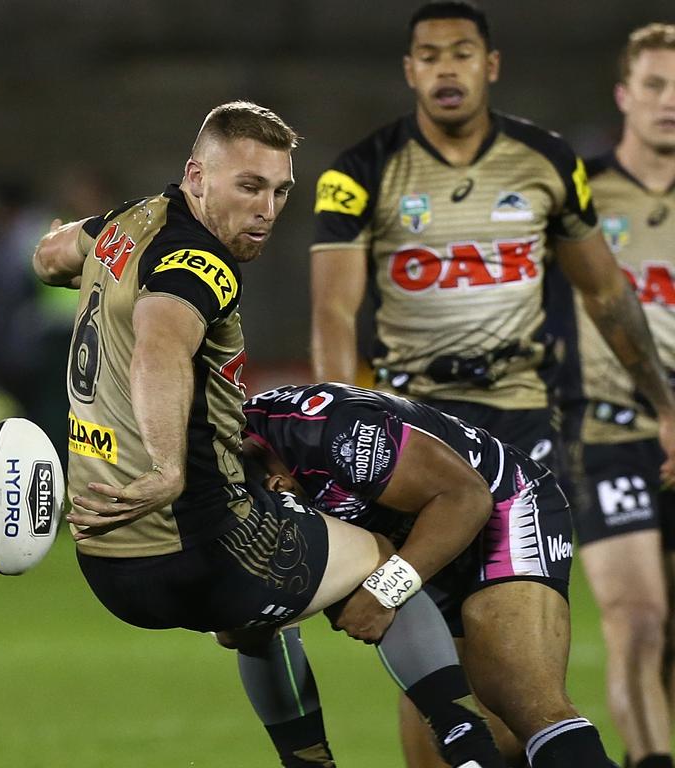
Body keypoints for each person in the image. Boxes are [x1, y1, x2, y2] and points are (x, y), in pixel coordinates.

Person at [31, 101, 506, 768]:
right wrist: (168, 468)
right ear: (197, 177)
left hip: (109, 561)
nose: (267, 209)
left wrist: (64, 255)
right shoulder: (201, 264)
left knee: (263, 606)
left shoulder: (126, 223)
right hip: (200, 542)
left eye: (281, 190)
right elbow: (160, 348)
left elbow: (52, 255)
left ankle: (307, 760)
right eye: (248, 187)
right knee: (379, 559)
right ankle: (471, 745)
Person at [308, 2, 675, 765]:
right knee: (432, 663)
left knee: (519, 675)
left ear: (490, 65)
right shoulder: (358, 173)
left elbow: (607, 295)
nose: (447, 68)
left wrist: (665, 406)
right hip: (412, 438)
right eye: (430, 55)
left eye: (462, 53)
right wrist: (336, 438)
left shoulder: (545, 161)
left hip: (519, 432)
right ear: (410, 70)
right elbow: (334, 313)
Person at [240, 381, 620, 768]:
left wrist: (384, 591)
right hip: (409, 534)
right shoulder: (217, 477)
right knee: (476, 741)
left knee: (524, 700)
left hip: (496, 504)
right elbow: (247, 621)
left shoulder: (334, 432)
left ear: (278, 485)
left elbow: (465, 498)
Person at [553, 24, 675, 768]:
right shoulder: (577, 199)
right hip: (604, 436)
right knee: (637, 619)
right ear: (625, 95)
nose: (671, 102)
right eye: (656, 86)